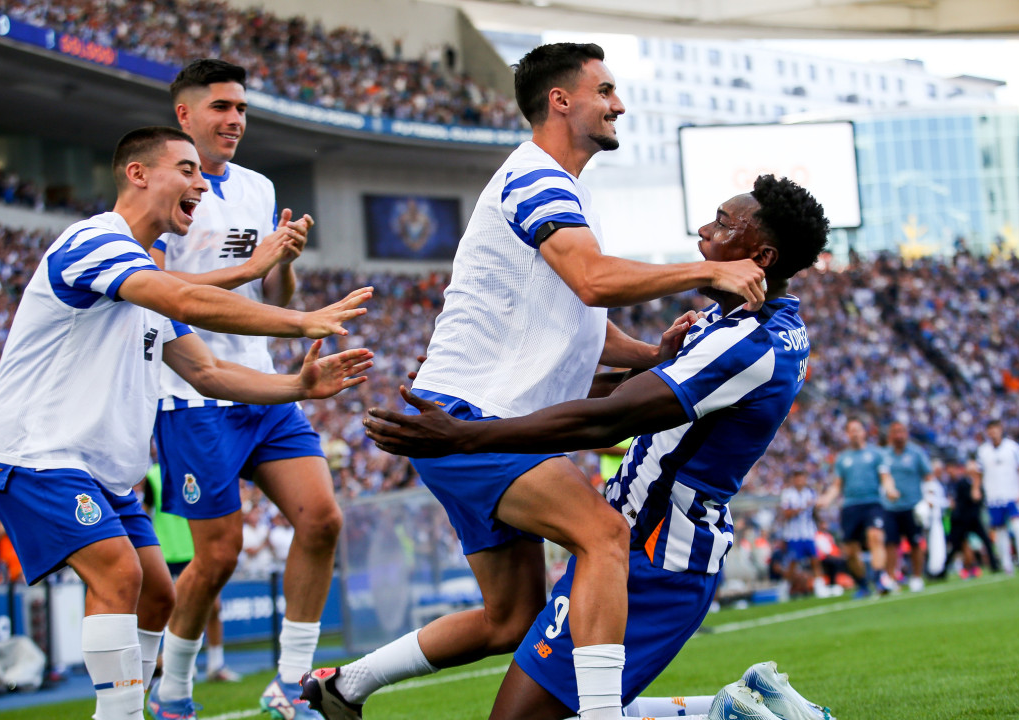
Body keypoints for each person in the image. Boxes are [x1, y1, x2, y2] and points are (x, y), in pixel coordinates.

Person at [297, 42, 767, 720]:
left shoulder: (566, 192)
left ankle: (343, 688)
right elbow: (592, 279)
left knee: (511, 618)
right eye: (605, 91)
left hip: (479, 420)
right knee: (604, 534)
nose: (619, 105)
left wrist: (647, 355)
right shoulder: (538, 178)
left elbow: (581, 318)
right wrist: (707, 271)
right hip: (471, 419)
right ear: (561, 100)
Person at [331, 174, 833, 720]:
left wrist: (465, 434)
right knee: (528, 667)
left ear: (760, 254)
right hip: (643, 542)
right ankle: (731, 709)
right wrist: (485, 389)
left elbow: (606, 421)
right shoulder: (748, 321)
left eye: (722, 223)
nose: (704, 231)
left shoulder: (747, 342)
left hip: (655, 556)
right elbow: (621, 394)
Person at [0, 126, 373, 720]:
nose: (201, 182)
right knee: (119, 572)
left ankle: (158, 704)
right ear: (137, 174)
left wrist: (298, 387)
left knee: (159, 592)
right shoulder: (95, 243)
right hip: (36, 454)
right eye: (186, 170)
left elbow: (208, 372)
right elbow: (185, 302)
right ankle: (122, 715)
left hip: (99, 470)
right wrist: (300, 321)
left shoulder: (147, 285)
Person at [147, 59, 347, 720]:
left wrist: (281, 265)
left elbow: (271, 293)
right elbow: (161, 296)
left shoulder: (258, 188)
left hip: (265, 389)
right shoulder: (161, 195)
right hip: (194, 395)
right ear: (185, 116)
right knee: (219, 557)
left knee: (322, 520)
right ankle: (173, 687)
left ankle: (291, 683)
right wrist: (252, 267)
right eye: (221, 108)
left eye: (241, 110)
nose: (234, 120)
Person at [140, 464, 240, 684]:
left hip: (196, 550)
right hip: (167, 553)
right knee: (172, 609)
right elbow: (144, 513)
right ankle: (180, 665)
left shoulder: (197, 467)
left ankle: (216, 664)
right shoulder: (154, 476)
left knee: (214, 607)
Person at [817, 419, 898, 597]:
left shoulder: (876, 454)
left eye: (857, 430)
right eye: (851, 431)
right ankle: (862, 585)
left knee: (875, 536)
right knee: (850, 551)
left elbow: (886, 477)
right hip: (850, 506)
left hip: (873, 503)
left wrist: (890, 490)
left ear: (864, 432)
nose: (854, 433)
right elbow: (837, 485)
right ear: (847, 434)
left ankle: (877, 579)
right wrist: (826, 499)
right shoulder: (843, 459)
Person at [882, 420, 932, 592]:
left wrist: (929, 497)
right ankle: (891, 579)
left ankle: (917, 577)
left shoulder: (916, 453)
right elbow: (883, 476)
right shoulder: (885, 455)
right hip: (890, 507)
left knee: (916, 543)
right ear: (890, 435)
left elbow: (928, 475)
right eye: (895, 431)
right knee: (890, 544)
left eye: (901, 431)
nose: (898, 435)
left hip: (913, 505)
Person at [975, 420, 1019, 574]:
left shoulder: (1012, 448)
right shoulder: (983, 451)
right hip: (994, 497)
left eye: (995, 429)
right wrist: (976, 489)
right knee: (999, 531)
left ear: (1000, 429)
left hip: (1012, 494)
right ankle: (1007, 565)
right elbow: (978, 474)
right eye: (990, 430)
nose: (993, 433)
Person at [943, 459, 997, 577]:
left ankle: (994, 565)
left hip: (974, 519)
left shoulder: (978, 484)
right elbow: (974, 497)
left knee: (987, 541)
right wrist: (977, 482)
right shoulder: (963, 483)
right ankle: (943, 571)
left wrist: (977, 482)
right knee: (956, 545)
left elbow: (980, 499)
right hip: (962, 520)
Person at [779, 470, 825, 597]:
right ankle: (785, 589)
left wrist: (820, 521)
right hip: (794, 535)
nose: (800, 481)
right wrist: (802, 507)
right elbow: (786, 514)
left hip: (808, 533)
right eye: (797, 478)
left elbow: (814, 513)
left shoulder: (810, 493)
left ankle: (820, 587)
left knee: (815, 560)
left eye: (802, 478)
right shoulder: (788, 494)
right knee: (793, 563)